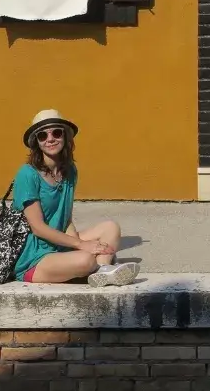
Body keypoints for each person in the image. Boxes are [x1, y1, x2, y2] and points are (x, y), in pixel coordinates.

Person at [12, 109, 138, 287]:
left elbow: (66, 219)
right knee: (85, 259)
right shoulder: (27, 174)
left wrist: (78, 245)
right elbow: (38, 228)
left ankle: (100, 271)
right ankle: (100, 267)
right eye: (42, 135)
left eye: (56, 132)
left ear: (65, 136)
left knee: (111, 228)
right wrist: (81, 245)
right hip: (33, 255)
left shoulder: (69, 171)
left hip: (58, 244)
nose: (50, 139)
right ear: (36, 142)